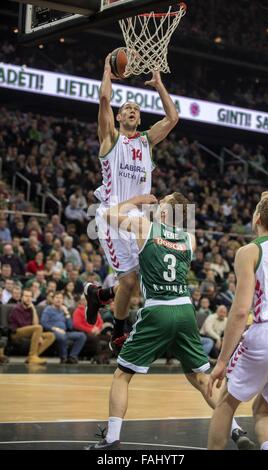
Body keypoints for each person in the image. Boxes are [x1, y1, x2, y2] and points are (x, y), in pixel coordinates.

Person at [85, 193, 255, 450]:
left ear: (165, 212)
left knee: (122, 375)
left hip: (159, 310)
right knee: (200, 378)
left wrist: (138, 200)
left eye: (161, 202)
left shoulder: (145, 226)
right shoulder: (190, 238)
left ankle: (111, 439)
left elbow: (106, 215)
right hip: (185, 310)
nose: (157, 204)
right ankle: (237, 430)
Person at [84, 53, 179, 352]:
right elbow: (103, 102)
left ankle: (100, 296)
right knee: (130, 281)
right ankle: (117, 333)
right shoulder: (110, 139)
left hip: (137, 219)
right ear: (120, 116)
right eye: (127, 108)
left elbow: (173, 118)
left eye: (136, 109)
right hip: (111, 217)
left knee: (137, 280)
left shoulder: (146, 142)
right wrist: (107, 72)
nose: (132, 111)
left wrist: (159, 85)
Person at [207, 191, 268, 450]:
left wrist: (222, 361)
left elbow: (240, 311)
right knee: (266, 410)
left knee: (226, 401)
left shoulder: (250, 251)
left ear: (258, 218)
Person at [8, 289, 55, 364]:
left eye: (30, 296)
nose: (28, 298)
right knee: (38, 328)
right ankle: (32, 356)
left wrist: (33, 309)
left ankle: (32, 356)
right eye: (26, 296)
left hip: (29, 332)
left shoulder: (30, 308)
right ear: (22, 297)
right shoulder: (17, 308)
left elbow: (35, 324)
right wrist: (38, 334)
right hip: (16, 332)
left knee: (51, 336)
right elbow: (23, 325)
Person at [41, 291, 86, 364]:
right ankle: (64, 358)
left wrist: (67, 313)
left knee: (82, 336)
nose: (59, 300)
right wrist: (56, 329)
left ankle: (72, 356)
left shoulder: (64, 310)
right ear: (53, 299)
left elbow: (70, 327)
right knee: (62, 336)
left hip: (65, 332)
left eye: (61, 298)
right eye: (57, 298)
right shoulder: (48, 309)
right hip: (53, 331)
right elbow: (44, 323)